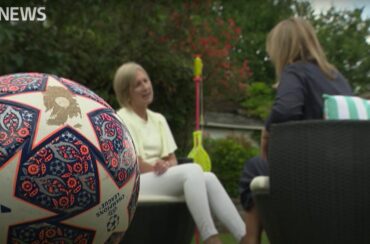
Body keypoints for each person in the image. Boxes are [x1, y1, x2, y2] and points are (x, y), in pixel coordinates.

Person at [239, 17, 353, 244]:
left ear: (282, 49)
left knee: (254, 167)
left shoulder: (295, 70)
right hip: (348, 172)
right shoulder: (338, 78)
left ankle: (250, 240)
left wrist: (266, 131)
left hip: (312, 172)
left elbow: (285, 110)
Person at [113, 62, 246, 244]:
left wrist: (166, 165)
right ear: (126, 92)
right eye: (138, 84)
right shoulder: (121, 118)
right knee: (192, 170)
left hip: (159, 176)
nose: (146, 87)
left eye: (146, 81)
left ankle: (246, 237)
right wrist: (155, 166)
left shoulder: (158, 119)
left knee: (208, 178)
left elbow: (172, 158)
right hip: (136, 183)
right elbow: (132, 162)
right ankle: (211, 238)